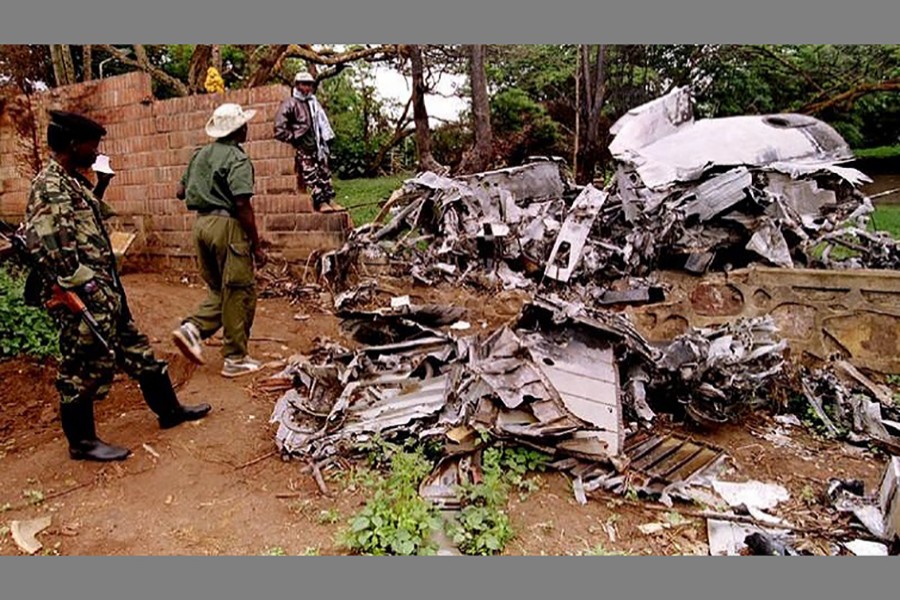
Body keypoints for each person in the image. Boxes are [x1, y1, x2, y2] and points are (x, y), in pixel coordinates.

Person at [22, 110, 211, 462]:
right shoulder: (49, 186)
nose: (96, 152)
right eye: (93, 145)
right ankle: (82, 442)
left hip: (103, 292)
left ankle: (170, 411)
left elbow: (87, 221)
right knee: (82, 365)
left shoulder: (71, 180)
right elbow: (54, 247)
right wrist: (85, 290)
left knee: (136, 349)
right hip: (83, 295)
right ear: (73, 144)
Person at [171, 103, 267, 378]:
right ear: (239, 129)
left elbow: (180, 191)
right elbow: (242, 204)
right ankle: (235, 357)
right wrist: (256, 246)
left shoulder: (199, 155)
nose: (248, 127)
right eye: (244, 124)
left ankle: (191, 330)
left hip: (201, 225)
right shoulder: (237, 159)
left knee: (218, 290)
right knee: (239, 291)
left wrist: (204, 186)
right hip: (227, 226)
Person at [274, 71, 341, 212]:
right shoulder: (290, 103)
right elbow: (279, 129)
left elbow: (321, 124)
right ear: (297, 85)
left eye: (310, 85)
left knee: (324, 173)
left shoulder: (314, 103)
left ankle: (330, 199)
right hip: (304, 146)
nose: (307, 88)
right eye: (304, 84)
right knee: (311, 174)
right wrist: (294, 137)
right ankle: (321, 202)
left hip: (318, 146)